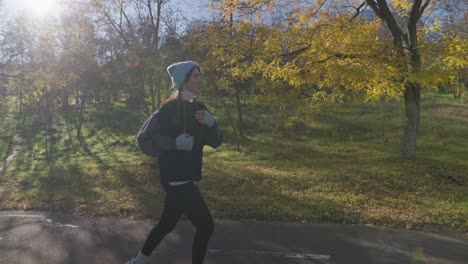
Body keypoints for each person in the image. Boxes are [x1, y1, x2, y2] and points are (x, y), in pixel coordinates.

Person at [126, 61, 222, 264]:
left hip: (186, 177)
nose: (200, 79)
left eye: (200, 75)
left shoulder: (200, 109)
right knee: (206, 226)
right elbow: (143, 139)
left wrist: (212, 124)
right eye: (195, 75)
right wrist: (174, 143)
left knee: (167, 224)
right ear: (183, 81)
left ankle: (139, 261)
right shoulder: (167, 110)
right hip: (176, 179)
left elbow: (216, 141)